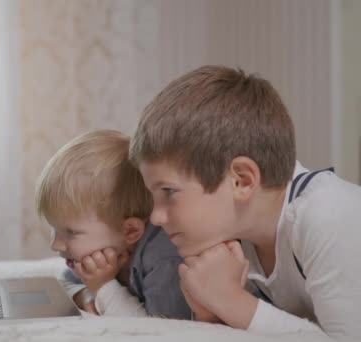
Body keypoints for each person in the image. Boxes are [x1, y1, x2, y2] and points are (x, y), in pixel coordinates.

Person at [129, 65, 361, 339]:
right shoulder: (236, 233)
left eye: (168, 191)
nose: (155, 217)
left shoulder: (329, 215)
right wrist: (210, 314)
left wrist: (231, 301)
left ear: (241, 180)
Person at [35, 129, 190, 318]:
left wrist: (102, 286)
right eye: (54, 228)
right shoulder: (98, 253)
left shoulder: (164, 261)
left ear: (130, 231)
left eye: (71, 232)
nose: (55, 244)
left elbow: (155, 330)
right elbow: (63, 282)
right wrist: (84, 294)